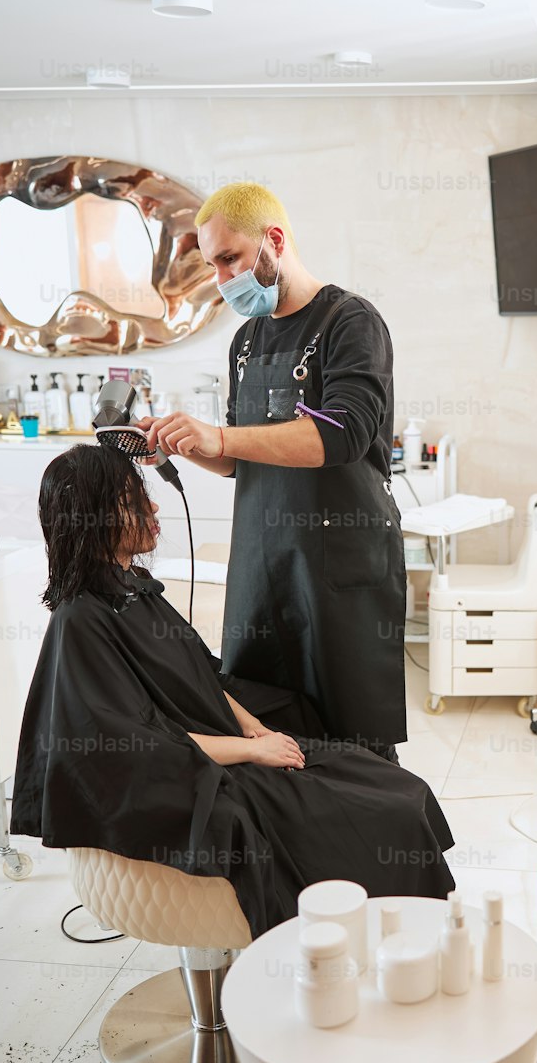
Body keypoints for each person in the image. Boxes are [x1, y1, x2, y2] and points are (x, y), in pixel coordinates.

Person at [10, 445, 454, 939]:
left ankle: (399, 940)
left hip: (219, 745)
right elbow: (136, 743)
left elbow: (202, 673)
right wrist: (251, 751)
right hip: (186, 779)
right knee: (388, 810)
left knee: (396, 786)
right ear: (94, 516)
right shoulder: (81, 621)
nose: (154, 508)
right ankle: (373, 946)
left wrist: (250, 723)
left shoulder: (132, 587)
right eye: (134, 499)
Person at [137, 182, 406, 762]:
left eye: (230, 258)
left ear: (274, 241)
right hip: (264, 567)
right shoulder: (245, 341)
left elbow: (343, 433)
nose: (222, 279)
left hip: (339, 571)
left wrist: (221, 434)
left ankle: (371, 844)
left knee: (354, 743)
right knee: (267, 729)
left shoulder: (350, 322)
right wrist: (183, 444)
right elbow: (239, 458)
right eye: (212, 265)